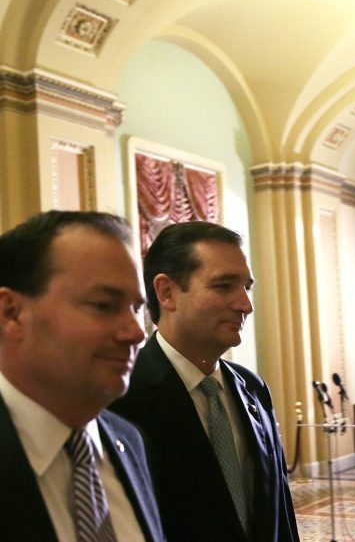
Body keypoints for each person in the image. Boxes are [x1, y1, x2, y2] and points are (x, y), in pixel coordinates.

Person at [0, 211, 164, 542]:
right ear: (11, 313)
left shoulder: (129, 441)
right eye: (103, 305)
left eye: (135, 309)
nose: (135, 333)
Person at [110, 221, 299, 542]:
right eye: (224, 286)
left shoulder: (253, 389)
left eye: (246, 287)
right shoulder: (120, 396)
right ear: (167, 292)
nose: (245, 305)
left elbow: (279, 509)